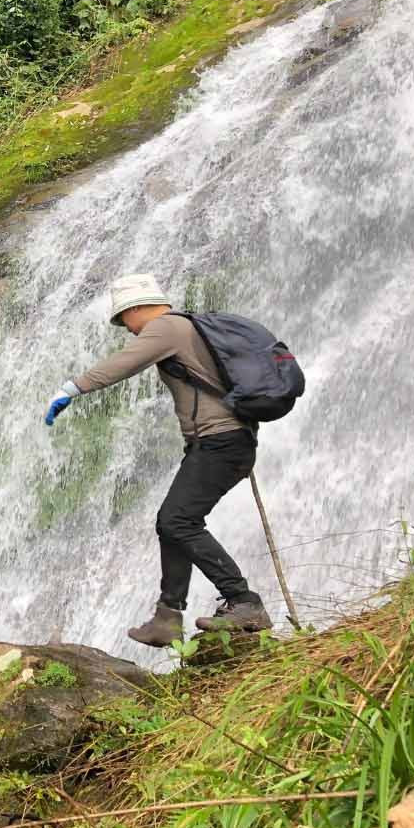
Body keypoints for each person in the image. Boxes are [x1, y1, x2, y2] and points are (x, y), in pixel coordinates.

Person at [45, 273, 273, 647]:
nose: (127, 329)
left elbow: (125, 363)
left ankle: (244, 601)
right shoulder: (188, 327)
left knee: (176, 520)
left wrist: (73, 388)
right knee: (174, 522)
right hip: (219, 442)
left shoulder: (167, 327)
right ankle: (168, 616)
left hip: (221, 441)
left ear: (136, 308)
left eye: (124, 320)